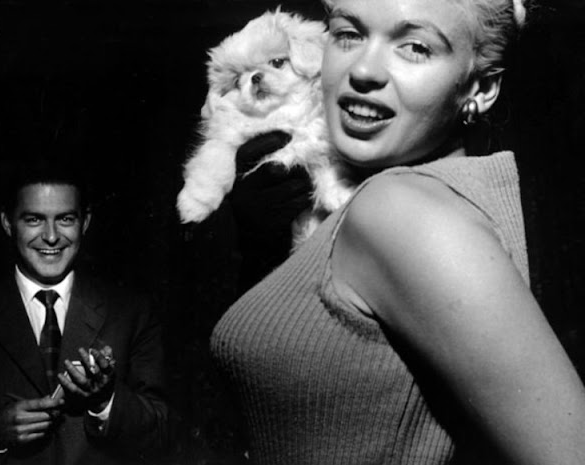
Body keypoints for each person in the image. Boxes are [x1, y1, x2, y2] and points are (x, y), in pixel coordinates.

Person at [211, 0, 585, 463]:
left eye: (415, 47)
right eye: (348, 34)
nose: (363, 70)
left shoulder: (397, 209)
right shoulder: (430, 197)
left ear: (482, 87)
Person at [0, 162, 169, 464]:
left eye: (65, 219)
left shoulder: (132, 312)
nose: (51, 237)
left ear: (85, 222)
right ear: (8, 223)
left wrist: (106, 401)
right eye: (34, 219)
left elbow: (163, 434)